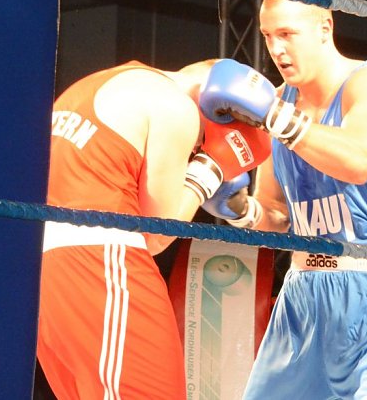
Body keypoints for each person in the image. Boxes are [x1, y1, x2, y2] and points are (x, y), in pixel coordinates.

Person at [200, 0, 367, 399]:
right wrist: (242, 210)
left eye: (288, 34)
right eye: (269, 36)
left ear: (325, 27)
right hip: (302, 297)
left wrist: (278, 118)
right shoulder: (275, 103)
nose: (277, 49)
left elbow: (358, 160)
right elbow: (276, 213)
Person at [37, 59, 270, 400]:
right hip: (102, 262)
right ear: (220, 107)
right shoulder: (175, 106)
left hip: (44, 269)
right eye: (202, 141)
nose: (195, 147)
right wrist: (210, 168)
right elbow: (157, 233)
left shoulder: (100, 81)